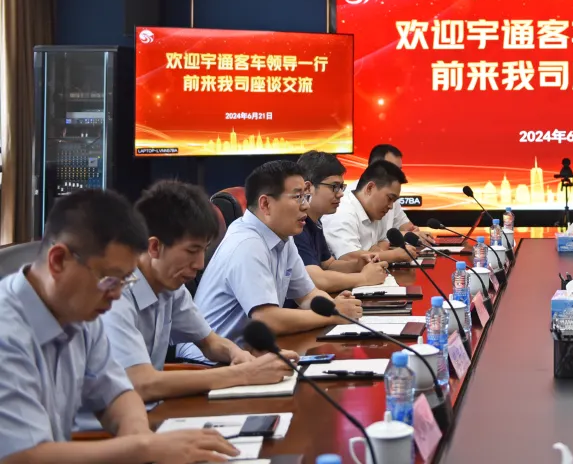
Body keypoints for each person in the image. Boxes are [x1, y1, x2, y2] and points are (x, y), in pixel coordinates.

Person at [0, 189, 238, 463]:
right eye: (110, 279)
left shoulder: (82, 314)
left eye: (125, 280)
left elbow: (118, 394)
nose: (116, 295)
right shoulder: (8, 333)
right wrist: (143, 448)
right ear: (58, 261)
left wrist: (139, 437)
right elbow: (23, 456)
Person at [91, 181, 294, 404]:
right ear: (154, 247)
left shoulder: (172, 287)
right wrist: (244, 374)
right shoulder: (115, 296)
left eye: (204, 250)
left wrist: (240, 356)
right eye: (191, 251)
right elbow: (141, 384)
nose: (199, 264)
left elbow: (210, 342)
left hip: (151, 411)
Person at [178, 161, 364, 359]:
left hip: (249, 355)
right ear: (265, 204)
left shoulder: (283, 237)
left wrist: (336, 308)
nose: (306, 205)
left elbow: (308, 296)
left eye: (306, 196)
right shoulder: (247, 244)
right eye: (298, 197)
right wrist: (332, 315)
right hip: (206, 362)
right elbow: (268, 320)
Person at [296, 150, 390, 291]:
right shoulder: (295, 225)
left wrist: (358, 265)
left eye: (341, 187)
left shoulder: (316, 222)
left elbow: (328, 265)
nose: (340, 194)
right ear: (308, 188)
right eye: (334, 187)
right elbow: (316, 280)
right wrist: (363, 278)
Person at [322, 159, 418, 264]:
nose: (391, 206)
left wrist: (375, 252)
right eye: (390, 198)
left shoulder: (376, 211)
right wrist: (395, 255)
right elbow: (349, 257)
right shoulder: (342, 212)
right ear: (370, 188)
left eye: (394, 201)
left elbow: (384, 241)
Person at [367, 143, 432, 244]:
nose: (399, 175)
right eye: (393, 170)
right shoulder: (354, 198)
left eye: (399, 170)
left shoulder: (392, 196)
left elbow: (408, 228)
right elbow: (370, 243)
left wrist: (414, 233)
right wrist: (403, 235)